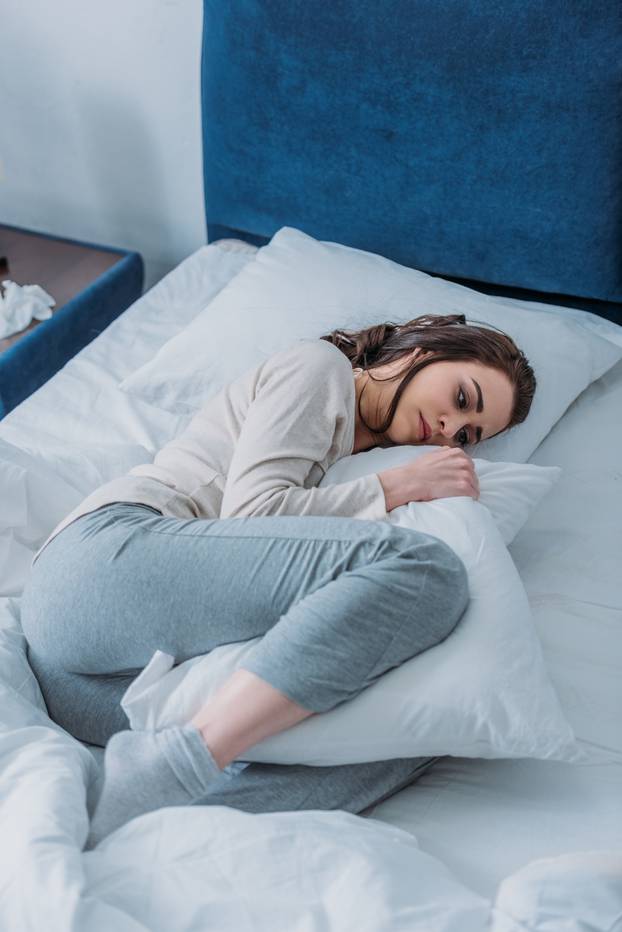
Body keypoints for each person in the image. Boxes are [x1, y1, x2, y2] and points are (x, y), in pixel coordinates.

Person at [19, 312, 536, 848]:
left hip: (90, 685)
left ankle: (131, 829)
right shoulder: (320, 369)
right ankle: (184, 759)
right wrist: (395, 486)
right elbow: (252, 515)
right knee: (427, 571)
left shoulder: (362, 450)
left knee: (424, 729)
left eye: (470, 435)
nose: (452, 431)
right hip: (99, 563)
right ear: (423, 351)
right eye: (460, 398)